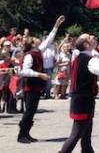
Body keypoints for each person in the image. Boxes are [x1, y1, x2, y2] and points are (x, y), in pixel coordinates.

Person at [58, 34, 99, 153]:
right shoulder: (88, 59)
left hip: (83, 98)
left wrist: (96, 84)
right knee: (76, 134)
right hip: (82, 100)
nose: (93, 37)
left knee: (86, 135)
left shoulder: (81, 56)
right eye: (89, 37)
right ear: (86, 44)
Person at [17, 15, 64, 143]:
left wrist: (56, 26)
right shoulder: (29, 55)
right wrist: (39, 74)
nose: (37, 40)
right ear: (31, 44)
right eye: (34, 40)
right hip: (30, 86)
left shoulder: (38, 51)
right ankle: (21, 135)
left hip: (36, 86)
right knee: (29, 111)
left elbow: (49, 40)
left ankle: (26, 134)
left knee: (32, 112)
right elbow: (24, 71)